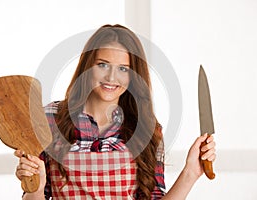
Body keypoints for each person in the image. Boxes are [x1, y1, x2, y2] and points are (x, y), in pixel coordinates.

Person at [14, 24, 216, 200]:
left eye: (123, 69)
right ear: (87, 66)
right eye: (102, 65)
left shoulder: (147, 130)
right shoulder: (50, 119)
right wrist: (36, 186)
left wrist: (191, 172)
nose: (111, 77)